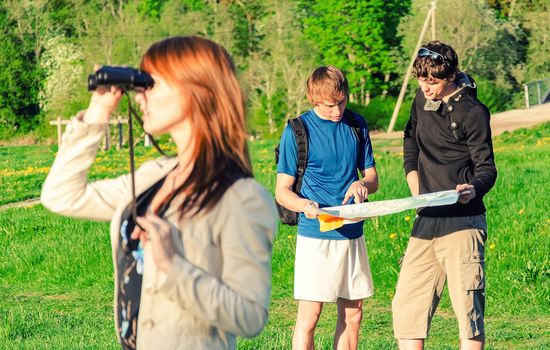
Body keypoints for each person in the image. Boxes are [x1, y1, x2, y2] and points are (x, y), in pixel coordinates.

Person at [41, 36, 278, 350]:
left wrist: (174, 268)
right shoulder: (154, 176)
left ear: (196, 91)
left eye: (150, 84)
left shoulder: (241, 197)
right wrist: (98, 111)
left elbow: (250, 316)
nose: (140, 97)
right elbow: (61, 194)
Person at [392, 40, 497, 350]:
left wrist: (472, 189)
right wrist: (414, 182)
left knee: (468, 314)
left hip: (463, 222)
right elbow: (410, 140)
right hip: (426, 220)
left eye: (433, 81)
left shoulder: (473, 112)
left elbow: (487, 169)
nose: (425, 86)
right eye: (421, 79)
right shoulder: (419, 100)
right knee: (407, 308)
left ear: (450, 75)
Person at [275, 66, 379, 350]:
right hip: (316, 235)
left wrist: (362, 185)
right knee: (310, 317)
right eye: (330, 105)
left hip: (353, 232)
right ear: (314, 99)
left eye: (342, 101)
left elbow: (372, 178)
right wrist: (304, 205)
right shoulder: (297, 131)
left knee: (354, 313)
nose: (337, 110)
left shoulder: (357, 125)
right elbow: (282, 191)